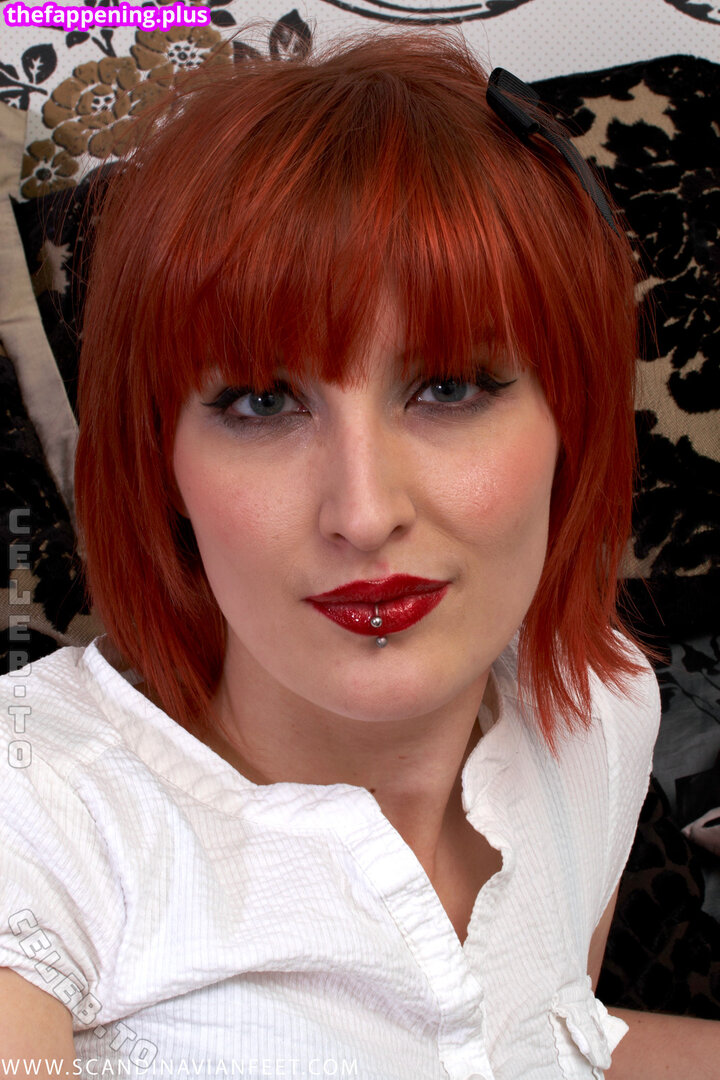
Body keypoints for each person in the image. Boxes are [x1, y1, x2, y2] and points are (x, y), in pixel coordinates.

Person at [0, 24, 717, 1080]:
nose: (365, 513)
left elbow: (551, 1038)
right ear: (161, 464)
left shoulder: (603, 712)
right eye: (261, 402)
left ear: (574, 420)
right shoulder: (35, 817)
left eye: (449, 388)